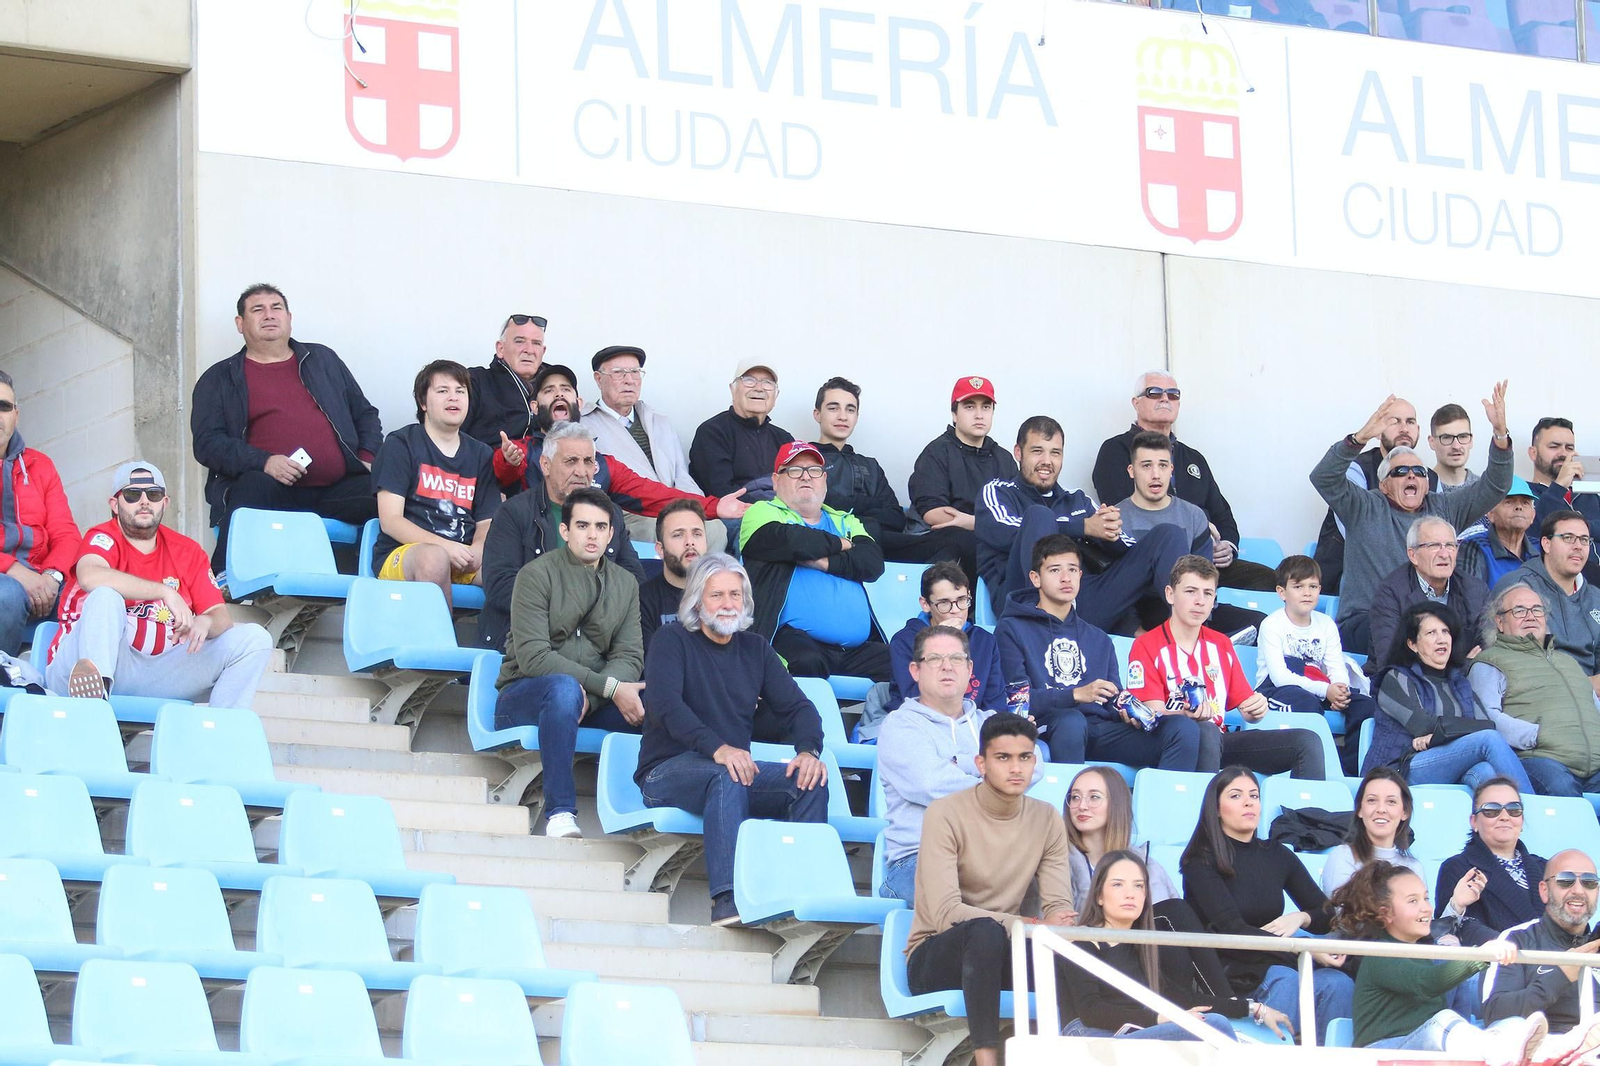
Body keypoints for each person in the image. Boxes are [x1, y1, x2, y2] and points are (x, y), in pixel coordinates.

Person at [636, 553, 829, 926]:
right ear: (696, 600)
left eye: (735, 596)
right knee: (727, 775)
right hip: (664, 771)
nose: (728, 605)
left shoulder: (755, 648)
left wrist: (808, 750)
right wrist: (718, 748)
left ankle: (799, 894)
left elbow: (800, 709)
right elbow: (664, 706)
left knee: (810, 781)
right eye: (717, 596)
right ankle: (728, 899)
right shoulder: (671, 639)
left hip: (730, 772)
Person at [904, 713, 1076, 1066]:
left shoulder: (1046, 818)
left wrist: (1058, 925)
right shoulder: (945, 813)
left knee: (1072, 952)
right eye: (1003, 758)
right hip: (936, 955)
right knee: (984, 933)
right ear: (980, 763)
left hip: (1006, 950)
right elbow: (945, 913)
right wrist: (1023, 925)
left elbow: (1060, 906)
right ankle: (987, 1060)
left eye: (1025, 757)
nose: (1016, 768)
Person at [45, 462, 272, 709]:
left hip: (158, 670)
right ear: (114, 504)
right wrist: (164, 592)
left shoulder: (188, 551)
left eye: (153, 494)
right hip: (82, 665)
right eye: (132, 495)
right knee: (105, 597)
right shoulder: (102, 537)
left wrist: (205, 621)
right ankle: (94, 708)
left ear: (165, 502)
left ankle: (221, 732)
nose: (144, 501)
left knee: (254, 639)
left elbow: (221, 617)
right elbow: (90, 576)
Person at [192, 284, 383, 570]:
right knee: (251, 486)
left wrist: (367, 457)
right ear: (240, 324)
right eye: (258, 310)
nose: (269, 315)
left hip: (336, 490)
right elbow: (208, 443)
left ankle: (402, 586)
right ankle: (222, 584)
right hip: (271, 491)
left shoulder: (322, 360)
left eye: (276, 308)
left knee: (392, 492)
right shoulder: (219, 378)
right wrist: (265, 462)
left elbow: (365, 414)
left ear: (289, 318)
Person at [1310, 387, 1514, 655]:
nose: (1411, 477)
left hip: (1433, 625)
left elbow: (1495, 486)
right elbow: (1323, 477)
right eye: (1400, 472)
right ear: (1383, 484)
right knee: (1415, 635)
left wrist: (1500, 435)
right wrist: (1359, 438)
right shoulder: (1363, 506)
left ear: (1427, 482)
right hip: (1367, 620)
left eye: (1418, 472)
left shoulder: (1443, 508)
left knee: (1489, 636)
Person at [493, 488, 643, 839]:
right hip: (523, 695)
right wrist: (604, 687)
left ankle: (646, 810)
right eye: (582, 525)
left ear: (611, 534)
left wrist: (594, 695)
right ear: (565, 531)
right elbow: (534, 657)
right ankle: (560, 812)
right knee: (563, 689)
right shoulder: (534, 575)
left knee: (654, 704)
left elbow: (629, 656)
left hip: (588, 699)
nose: (592, 535)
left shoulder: (625, 584)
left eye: (601, 527)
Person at [1180, 766, 1354, 1043]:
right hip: (1232, 964)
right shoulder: (1201, 860)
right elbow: (1231, 930)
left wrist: (1301, 918)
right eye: (1236, 796)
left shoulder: (1275, 853)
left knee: (1337, 983)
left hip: (1278, 956)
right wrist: (1301, 952)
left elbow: (1326, 916)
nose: (1249, 802)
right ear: (1215, 809)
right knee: (1284, 978)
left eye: (1254, 795)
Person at [998, 534, 1202, 769]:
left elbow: (1113, 697)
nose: (1066, 578)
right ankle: (1071, 803)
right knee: (1071, 721)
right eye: (1055, 570)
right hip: (1050, 726)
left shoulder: (1098, 637)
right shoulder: (1012, 628)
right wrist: (1074, 695)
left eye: (1073, 570)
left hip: (1102, 730)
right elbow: (1015, 701)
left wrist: (1133, 712)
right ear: (1036, 578)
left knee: (1182, 729)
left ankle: (1169, 805)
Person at [489, 364, 748, 547]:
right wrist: (507, 462)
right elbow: (500, 478)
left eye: (565, 389)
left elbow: (655, 495)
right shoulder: (521, 450)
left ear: (579, 403)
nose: (559, 394)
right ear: (534, 407)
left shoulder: (603, 463)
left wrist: (714, 507)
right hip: (535, 554)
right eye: (549, 390)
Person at [977, 415, 1186, 630]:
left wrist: (1109, 532)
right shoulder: (998, 492)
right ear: (1018, 453)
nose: (1047, 461)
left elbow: (1130, 549)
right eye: (1037, 451)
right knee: (1039, 516)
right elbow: (1008, 530)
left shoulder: (1077, 499)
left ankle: (1185, 628)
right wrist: (1083, 527)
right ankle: (1042, 627)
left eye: (1055, 453)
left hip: (1086, 601)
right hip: (1025, 605)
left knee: (1169, 535)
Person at [1128, 556, 1326, 778]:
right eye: (1191, 591)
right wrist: (1184, 713)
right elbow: (1152, 713)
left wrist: (1256, 709)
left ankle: (1307, 813)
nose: (1200, 601)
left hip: (1219, 740)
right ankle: (1204, 811)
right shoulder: (1146, 645)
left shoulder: (1221, 644)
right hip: (1176, 744)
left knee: (1306, 742)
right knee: (1205, 730)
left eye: (1208, 593)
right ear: (1170, 594)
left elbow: (1246, 707)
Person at [1333, 860, 1548, 1059]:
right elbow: (1426, 982)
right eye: (1413, 901)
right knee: (1442, 1022)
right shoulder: (1380, 954)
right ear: (1385, 914)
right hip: (1382, 1052)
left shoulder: (1426, 952)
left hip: (1426, 1051)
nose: (1426, 907)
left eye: (1426, 898)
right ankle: (1503, 1054)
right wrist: (1480, 956)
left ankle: (1546, 1050)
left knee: (1515, 1024)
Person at [1067, 850, 1278, 1043]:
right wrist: (1159, 1017)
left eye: (1138, 885)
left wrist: (1254, 1008)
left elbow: (1181, 997)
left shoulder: (1140, 947)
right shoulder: (1083, 941)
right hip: (1087, 1035)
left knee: (1211, 1022)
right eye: (1117, 884)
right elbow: (1091, 1010)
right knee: (1213, 1026)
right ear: (1099, 895)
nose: (1130, 893)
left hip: (1131, 1032)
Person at [877, 625, 1021, 903]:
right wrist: (993, 776)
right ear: (915, 670)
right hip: (919, 858)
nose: (947, 667)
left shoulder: (988, 723)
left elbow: (1031, 764)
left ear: (969, 669)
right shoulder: (900, 725)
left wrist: (960, 762)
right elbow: (931, 783)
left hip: (988, 855)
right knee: (978, 887)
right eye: (934, 659)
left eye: (956, 659)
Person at [1094, 372, 1271, 591]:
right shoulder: (1115, 451)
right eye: (1155, 392)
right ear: (1136, 403)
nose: (1165, 399)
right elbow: (1125, 514)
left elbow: (1222, 512)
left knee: (1274, 581)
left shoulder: (1193, 457)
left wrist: (1227, 545)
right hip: (1155, 567)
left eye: (1173, 394)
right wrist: (1196, 526)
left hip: (1207, 561)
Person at [478, 420, 644, 652]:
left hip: (597, 642)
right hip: (525, 640)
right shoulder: (514, 513)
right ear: (545, 465)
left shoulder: (610, 513)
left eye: (588, 462)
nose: (581, 471)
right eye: (571, 461)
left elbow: (634, 580)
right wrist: (572, 607)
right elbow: (500, 586)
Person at [739, 441, 889, 682]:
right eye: (795, 470)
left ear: (824, 481)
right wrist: (844, 544)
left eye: (814, 471)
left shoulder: (844, 520)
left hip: (855, 648)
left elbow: (872, 563)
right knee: (806, 663)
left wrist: (823, 563)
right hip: (791, 640)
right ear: (776, 481)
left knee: (902, 666)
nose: (806, 477)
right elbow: (794, 540)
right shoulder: (761, 512)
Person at [1363, 603, 1534, 793]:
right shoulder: (1395, 678)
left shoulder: (1459, 682)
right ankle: (1531, 808)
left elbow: (1486, 724)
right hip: (1399, 769)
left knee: (1484, 771)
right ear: (1412, 644)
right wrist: (1451, 731)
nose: (1441, 639)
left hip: (1446, 764)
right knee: (1488, 740)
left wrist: (1437, 736)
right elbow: (1424, 725)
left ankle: (1505, 818)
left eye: (1445, 632)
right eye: (1431, 633)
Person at [371, 361, 499, 609]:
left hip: (463, 558)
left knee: (514, 571)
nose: (454, 397)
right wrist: (446, 548)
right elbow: (390, 520)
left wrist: (478, 551)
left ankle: (508, 646)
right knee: (433, 557)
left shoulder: (481, 454)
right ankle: (437, 644)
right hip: (405, 555)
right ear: (423, 402)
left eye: (460, 391)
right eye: (443, 391)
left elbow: (486, 523)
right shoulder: (401, 444)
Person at [813, 377, 970, 578]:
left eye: (850, 409)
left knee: (956, 539)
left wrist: (852, 507)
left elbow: (895, 517)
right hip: (836, 543)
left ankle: (941, 606)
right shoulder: (807, 461)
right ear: (817, 414)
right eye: (833, 408)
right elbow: (818, 506)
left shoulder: (870, 465)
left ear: (857, 416)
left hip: (882, 542)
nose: (843, 416)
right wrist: (869, 505)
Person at [581, 345, 726, 551]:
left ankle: (703, 583)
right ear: (598, 378)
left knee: (715, 529)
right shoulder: (584, 426)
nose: (629, 380)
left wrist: (694, 507)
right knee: (665, 533)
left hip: (676, 505)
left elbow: (681, 474)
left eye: (635, 372)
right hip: (631, 513)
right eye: (619, 373)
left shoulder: (659, 421)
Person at [1471, 582, 1600, 800]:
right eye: (1519, 610)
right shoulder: (1489, 662)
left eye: (1537, 609)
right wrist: (1536, 734)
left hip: (1594, 763)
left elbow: (1594, 707)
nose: (1530, 616)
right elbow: (1486, 718)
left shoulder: (1568, 662)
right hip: (1539, 758)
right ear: (1500, 622)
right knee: (1562, 789)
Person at [1255, 555, 1377, 772]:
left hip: (1319, 686)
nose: (1307, 592)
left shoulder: (1326, 623)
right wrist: (1325, 690)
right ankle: (1320, 767)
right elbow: (1280, 677)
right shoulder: (1272, 624)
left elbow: (1335, 664)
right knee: (1306, 705)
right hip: (1276, 690)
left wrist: (1340, 688)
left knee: (1365, 705)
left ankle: (1351, 770)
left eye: (1313, 586)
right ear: (1282, 592)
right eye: (1298, 586)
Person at [1312, 395, 1434, 595]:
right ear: (1378, 431)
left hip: (1415, 575)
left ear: (1418, 430)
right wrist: (1359, 437)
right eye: (1395, 421)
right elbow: (1361, 535)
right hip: (1355, 577)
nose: (1404, 428)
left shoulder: (1431, 478)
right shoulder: (1356, 469)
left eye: (1410, 422)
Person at [1483, 848, 1600, 1053]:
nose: (1579, 890)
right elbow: (1496, 1013)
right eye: (1566, 880)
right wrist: (1561, 975)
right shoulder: (1518, 940)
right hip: (1541, 1053)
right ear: (1544, 891)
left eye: (1589, 882)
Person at [907, 376, 1019, 586]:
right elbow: (933, 514)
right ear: (954, 414)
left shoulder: (1003, 459)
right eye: (969, 407)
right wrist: (991, 526)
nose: (979, 415)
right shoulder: (936, 453)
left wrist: (973, 523)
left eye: (986, 407)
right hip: (944, 543)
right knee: (967, 541)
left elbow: (1017, 514)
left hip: (989, 538)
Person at [0, 371, 78, 654]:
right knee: (6, 594)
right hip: (6, 579)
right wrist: (15, 571)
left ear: (16, 415)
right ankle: (5, 681)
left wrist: (52, 577)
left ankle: (64, 690)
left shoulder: (40, 464)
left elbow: (66, 534)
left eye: (4, 406)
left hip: (42, 574)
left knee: (93, 596)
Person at [1366, 517, 1490, 675]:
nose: (1444, 554)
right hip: (1403, 687)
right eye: (1434, 546)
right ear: (1413, 555)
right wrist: (1463, 666)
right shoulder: (1390, 593)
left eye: (1450, 546)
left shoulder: (1475, 590)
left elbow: (1486, 652)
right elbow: (1392, 660)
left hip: (1463, 687)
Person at [1435, 777, 1548, 944]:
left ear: (1521, 820)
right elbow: (1446, 934)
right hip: (1494, 963)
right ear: (1474, 821)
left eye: (1513, 809)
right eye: (1491, 810)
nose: (1504, 816)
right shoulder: (1456, 868)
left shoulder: (1545, 867)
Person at [1499, 511, 1600, 697]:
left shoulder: (1595, 597)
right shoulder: (1519, 588)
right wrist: (1586, 685)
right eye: (1568, 538)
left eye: (1584, 540)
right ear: (1546, 544)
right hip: (1542, 696)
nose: (1578, 546)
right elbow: (1516, 661)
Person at [885, 561, 1003, 715]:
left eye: (961, 600)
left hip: (974, 729)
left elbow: (995, 703)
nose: (955, 610)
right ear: (925, 604)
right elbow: (916, 700)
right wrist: (944, 641)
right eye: (944, 603)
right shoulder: (904, 641)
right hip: (917, 726)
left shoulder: (985, 641)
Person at [1065, 766, 1179, 909]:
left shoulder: (1147, 866)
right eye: (1075, 797)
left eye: (1094, 797)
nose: (1081, 806)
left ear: (1117, 803)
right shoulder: (1054, 861)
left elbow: (1166, 923)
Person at [689, 361, 794, 499]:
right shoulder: (712, 432)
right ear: (732, 389)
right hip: (733, 515)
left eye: (767, 383)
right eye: (749, 380)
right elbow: (722, 493)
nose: (759, 388)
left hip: (784, 514)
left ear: (776, 395)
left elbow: (796, 488)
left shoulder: (784, 439)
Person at [1321, 768, 1426, 896]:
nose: (1381, 809)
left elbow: (1422, 914)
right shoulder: (1343, 857)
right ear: (1360, 809)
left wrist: (1454, 906)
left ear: (1405, 812)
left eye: (1391, 802)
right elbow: (1344, 913)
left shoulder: (1414, 867)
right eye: (1372, 800)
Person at [461, 313, 546, 454]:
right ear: (500, 349)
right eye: (520, 341)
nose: (529, 350)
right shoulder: (475, 381)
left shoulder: (557, 386)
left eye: (536, 343)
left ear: (543, 351)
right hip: (487, 471)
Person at [639, 500, 705, 653]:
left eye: (697, 534)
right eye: (678, 535)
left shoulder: (725, 593)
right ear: (660, 549)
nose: (690, 542)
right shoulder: (643, 600)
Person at [1458, 479, 1543, 588]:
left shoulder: (1541, 548)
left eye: (1525, 502)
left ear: (1533, 515)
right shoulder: (1474, 547)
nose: (1519, 507)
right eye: (1509, 501)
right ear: (1490, 513)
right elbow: (1471, 597)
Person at [1429, 404, 1480, 494]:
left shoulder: (1482, 490)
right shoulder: (1421, 489)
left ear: (1471, 440)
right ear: (1432, 442)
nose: (1456, 446)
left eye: (1463, 436)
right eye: (1447, 437)